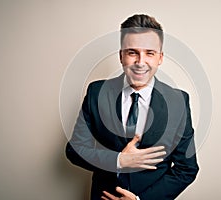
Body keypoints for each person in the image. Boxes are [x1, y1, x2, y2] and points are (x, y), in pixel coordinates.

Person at [65, 14, 199, 200]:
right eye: (132, 52)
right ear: (121, 56)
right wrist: (119, 160)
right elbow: (75, 150)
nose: (140, 62)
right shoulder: (96, 92)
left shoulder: (178, 101)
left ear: (160, 58)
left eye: (149, 53)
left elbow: (187, 169)